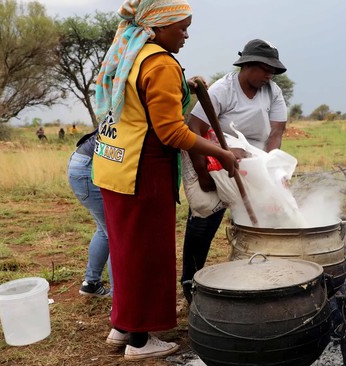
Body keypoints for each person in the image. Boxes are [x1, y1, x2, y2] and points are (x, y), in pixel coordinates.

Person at [91, 0, 237, 361]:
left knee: (126, 251)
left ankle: (123, 326)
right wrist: (221, 153)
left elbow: (143, 98)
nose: (186, 35)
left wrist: (184, 85)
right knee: (145, 255)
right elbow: (172, 132)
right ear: (157, 28)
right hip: (144, 169)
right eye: (182, 28)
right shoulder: (160, 62)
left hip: (113, 164)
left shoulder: (131, 53)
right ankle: (140, 341)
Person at [180, 38, 288, 303]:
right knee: (207, 211)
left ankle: (255, 279)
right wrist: (203, 172)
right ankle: (190, 284)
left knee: (259, 213)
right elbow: (193, 128)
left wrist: (273, 168)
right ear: (247, 65)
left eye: (273, 70)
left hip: (249, 158)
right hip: (207, 152)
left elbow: (276, 132)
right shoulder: (222, 89)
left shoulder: (272, 92)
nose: (269, 74)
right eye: (265, 68)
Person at [67, 130, 112, 298]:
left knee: (105, 230)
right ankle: (118, 298)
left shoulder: (117, 111)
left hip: (81, 164)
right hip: (88, 169)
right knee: (115, 236)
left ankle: (91, 283)